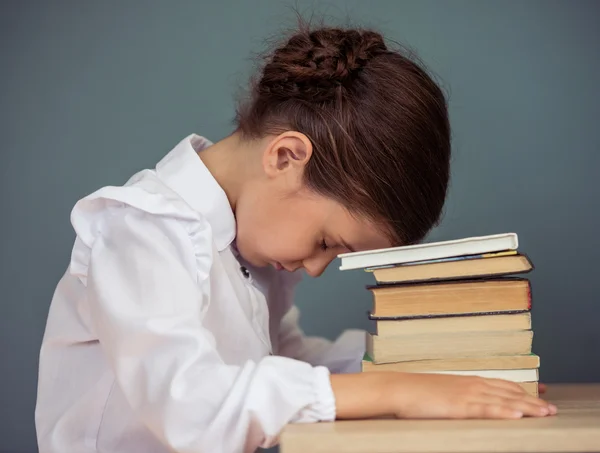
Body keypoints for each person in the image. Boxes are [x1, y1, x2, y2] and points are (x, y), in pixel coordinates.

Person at [35, 24, 556, 453]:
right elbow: (191, 407)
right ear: (285, 157)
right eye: (328, 241)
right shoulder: (142, 229)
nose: (313, 267)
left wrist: (428, 366)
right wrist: (394, 388)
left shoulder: (249, 250)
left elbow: (279, 364)